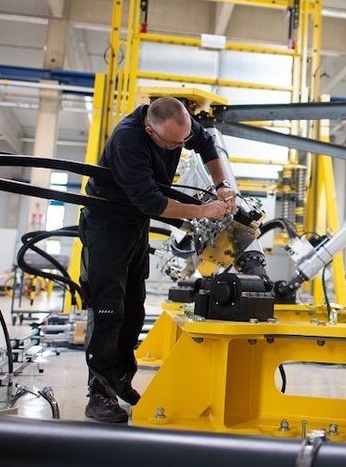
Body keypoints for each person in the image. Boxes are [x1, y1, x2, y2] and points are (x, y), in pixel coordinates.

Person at [80, 96, 235, 423]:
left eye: (182, 139)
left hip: (134, 224)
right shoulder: (127, 142)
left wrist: (222, 186)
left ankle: (121, 379)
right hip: (107, 225)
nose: (179, 146)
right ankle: (98, 392)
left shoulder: (176, 124)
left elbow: (206, 145)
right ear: (151, 130)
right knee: (108, 308)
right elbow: (151, 201)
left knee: (134, 307)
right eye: (173, 143)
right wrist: (202, 210)